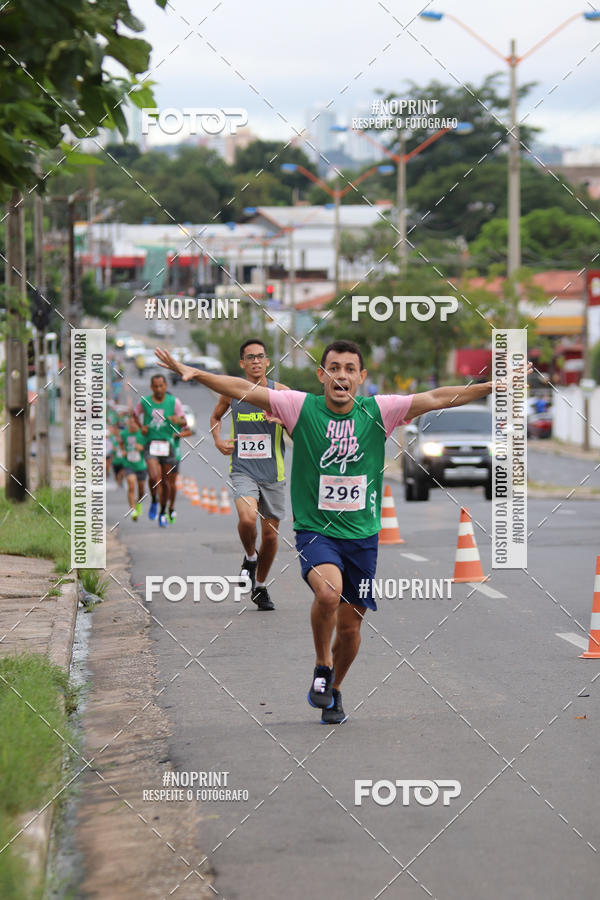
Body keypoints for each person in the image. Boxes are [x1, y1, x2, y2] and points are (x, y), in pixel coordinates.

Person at [155, 340, 530, 725]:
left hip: (363, 537)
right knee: (328, 592)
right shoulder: (299, 407)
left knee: (351, 628)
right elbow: (242, 389)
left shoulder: (379, 411)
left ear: (361, 378)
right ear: (322, 375)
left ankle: (333, 688)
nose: (342, 375)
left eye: (350, 369)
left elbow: (436, 397)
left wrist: (491, 387)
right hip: (317, 530)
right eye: (334, 368)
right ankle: (321, 664)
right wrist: (195, 372)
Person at [210, 339, 289, 611]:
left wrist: (283, 421)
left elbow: (299, 426)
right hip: (243, 469)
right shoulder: (232, 392)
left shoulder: (281, 394)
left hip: (273, 473)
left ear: (268, 361)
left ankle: (260, 586)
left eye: (260, 356)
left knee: (270, 536)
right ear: (242, 363)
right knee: (247, 518)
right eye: (250, 357)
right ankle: (249, 557)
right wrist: (218, 440)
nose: (256, 361)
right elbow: (216, 417)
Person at [133, 374, 187, 528]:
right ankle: (154, 500)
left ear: (165, 386)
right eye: (155, 386)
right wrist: (140, 426)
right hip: (151, 443)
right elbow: (134, 414)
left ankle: (163, 512)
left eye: (161, 386)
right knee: (153, 476)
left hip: (168, 445)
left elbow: (184, 421)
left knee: (166, 482)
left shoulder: (174, 402)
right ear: (151, 387)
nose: (158, 389)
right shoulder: (145, 402)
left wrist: (179, 420)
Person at [121, 414, 147, 521]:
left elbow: (148, 447)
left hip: (141, 465)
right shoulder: (124, 433)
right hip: (129, 463)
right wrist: (123, 451)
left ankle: (138, 503)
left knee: (141, 489)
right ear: (128, 423)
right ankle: (133, 510)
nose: (133, 425)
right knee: (131, 486)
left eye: (135, 423)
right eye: (131, 423)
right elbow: (121, 444)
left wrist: (141, 447)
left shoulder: (142, 433)